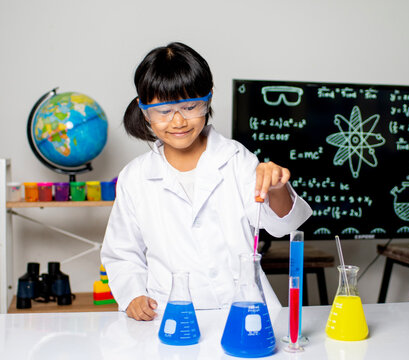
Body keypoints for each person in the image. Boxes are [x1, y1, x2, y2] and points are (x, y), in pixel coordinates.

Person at [101, 42, 312, 321]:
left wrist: (276, 188)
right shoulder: (135, 177)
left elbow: (283, 225)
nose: (178, 121)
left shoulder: (236, 159)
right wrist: (133, 295)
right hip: (169, 314)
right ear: (144, 111)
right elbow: (121, 252)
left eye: (190, 107)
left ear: (208, 100)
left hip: (241, 309)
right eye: (163, 111)